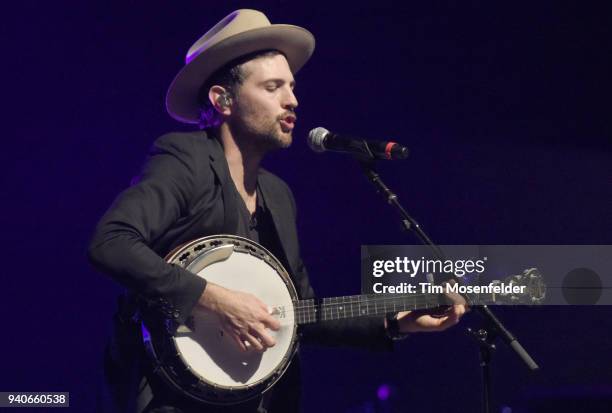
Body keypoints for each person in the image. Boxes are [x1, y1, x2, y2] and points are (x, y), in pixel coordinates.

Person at [88, 9, 466, 413]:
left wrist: (395, 320)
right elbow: (111, 243)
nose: (293, 100)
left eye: (291, 86)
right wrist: (214, 299)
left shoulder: (278, 195)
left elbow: (297, 311)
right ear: (223, 100)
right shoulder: (185, 159)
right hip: (169, 399)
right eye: (273, 87)